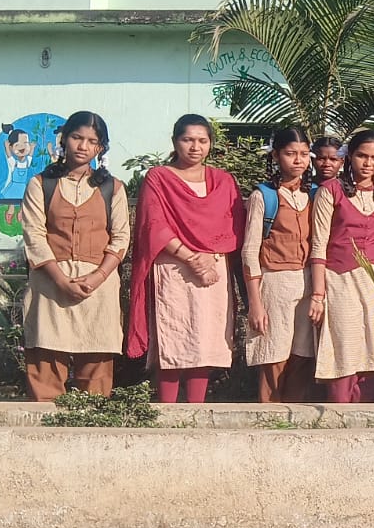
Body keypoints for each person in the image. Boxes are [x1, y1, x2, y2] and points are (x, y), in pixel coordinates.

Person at [127, 115, 244, 403]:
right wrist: (192, 258)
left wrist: (208, 258)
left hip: (213, 268)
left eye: (202, 141)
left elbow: (233, 225)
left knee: (205, 339)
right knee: (173, 337)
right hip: (173, 267)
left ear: (210, 143)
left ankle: (196, 410)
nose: (195, 147)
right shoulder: (159, 178)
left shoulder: (223, 181)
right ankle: (167, 410)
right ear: (175, 141)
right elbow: (154, 225)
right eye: (187, 140)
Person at [19, 111, 128, 401]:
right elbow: (34, 235)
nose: (83, 146)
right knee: (46, 358)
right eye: (77, 138)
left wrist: (96, 278)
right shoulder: (40, 184)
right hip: (50, 283)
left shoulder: (113, 188)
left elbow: (121, 238)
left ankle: (90, 425)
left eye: (92, 141)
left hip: (98, 286)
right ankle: (43, 427)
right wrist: (60, 280)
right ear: (64, 139)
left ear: (101, 148)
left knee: (96, 362)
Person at [308, 129, 374, 403]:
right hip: (339, 278)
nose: (368, 163)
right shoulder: (330, 190)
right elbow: (318, 244)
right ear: (349, 156)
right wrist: (318, 294)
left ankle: (365, 414)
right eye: (362, 156)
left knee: (373, 347)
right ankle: (339, 413)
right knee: (343, 345)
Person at [241, 128, 318, 403]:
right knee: (273, 354)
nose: (298, 160)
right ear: (276, 156)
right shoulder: (264, 196)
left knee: (303, 354)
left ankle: (294, 414)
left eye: (304, 154)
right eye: (290, 153)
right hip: (275, 281)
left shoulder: (315, 195)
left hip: (308, 280)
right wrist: (255, 303)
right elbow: (250, 251)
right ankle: (268, 414)